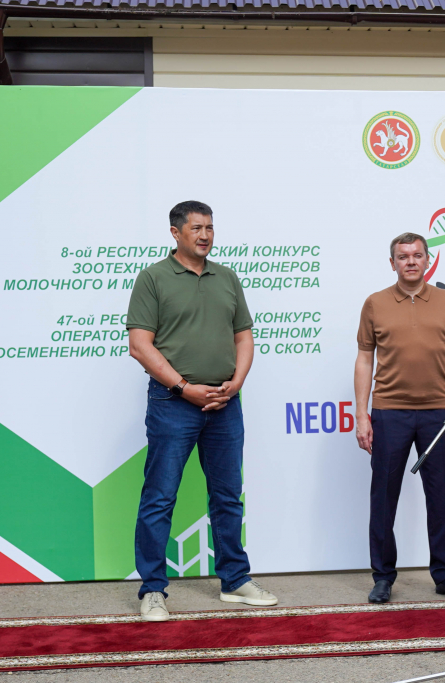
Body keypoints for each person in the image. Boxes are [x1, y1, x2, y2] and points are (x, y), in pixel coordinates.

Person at [127, 201, 277, 622]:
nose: (205, 235)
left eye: (210, 227)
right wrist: (184, 387)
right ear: (175, 233)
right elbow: (140, 345)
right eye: (196, 228)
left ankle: (235, 580)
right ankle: (152, 589)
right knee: (160, 497)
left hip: (225, 405)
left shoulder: (226, 277)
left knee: (228, 496)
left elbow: (243, 337)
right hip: (173, 404)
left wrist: (237, 381)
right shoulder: (153, 278)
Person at [354, 233, 445, 604]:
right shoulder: (375, 303)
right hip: (389, 412)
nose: (411, 261)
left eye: (417, 255)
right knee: (383, 497)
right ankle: (383, 577)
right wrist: (362, 415)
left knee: (440, 497)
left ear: (427, 260)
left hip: (439, 412)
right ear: (393, 263)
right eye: (403, 256)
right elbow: (365, 359)